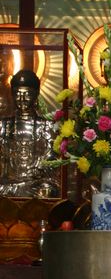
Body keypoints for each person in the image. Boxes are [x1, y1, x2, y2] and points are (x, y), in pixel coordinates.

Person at [0, 69, 59, 198]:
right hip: (9, 184)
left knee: (47, 190)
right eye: (17, 94)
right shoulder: (3, 125)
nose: (22, 99)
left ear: (36, 94)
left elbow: (52, 161)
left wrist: (39, 168)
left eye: (27, 94)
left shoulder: (47, 126)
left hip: (35, 183)